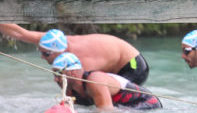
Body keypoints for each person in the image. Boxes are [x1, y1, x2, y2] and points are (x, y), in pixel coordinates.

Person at [0, 23, 149, 84]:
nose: (41, 56)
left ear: (60, 51)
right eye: (42, 52)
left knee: (101, 94)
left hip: (133, 65)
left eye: (46, 54)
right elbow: (19, 33)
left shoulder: (83, 60)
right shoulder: (51, 41)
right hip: (113, 58)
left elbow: (85, 87)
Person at [50, 52, 161, 111]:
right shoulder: (70, 91)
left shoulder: (95, 81)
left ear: (73, 72)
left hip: (147, 102)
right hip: (121, 106)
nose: (55, 79)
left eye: (58, 74)